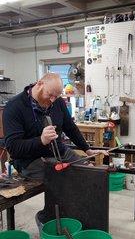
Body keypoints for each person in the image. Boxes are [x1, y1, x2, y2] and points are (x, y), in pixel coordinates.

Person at [3, 73, 108, 229]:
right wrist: (41, 141)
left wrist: (87, 149)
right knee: (63, 180)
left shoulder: (57, 102)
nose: (52, 100)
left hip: (58, 150)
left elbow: (70, 127)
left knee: (88, 172)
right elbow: (13, 148)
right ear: (39, 84)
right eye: (50, 95)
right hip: (30, 160)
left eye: (56, 96)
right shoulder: (14, 107)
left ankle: (80, 222)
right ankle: (46, 218)